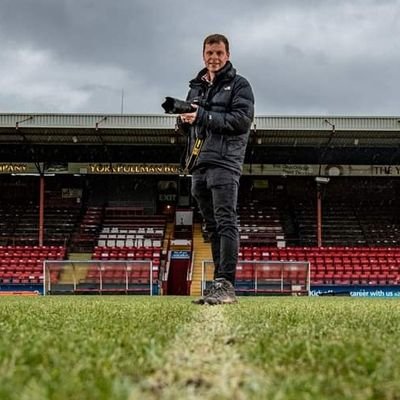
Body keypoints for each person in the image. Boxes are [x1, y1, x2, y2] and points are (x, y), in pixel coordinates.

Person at [177, 33, 255, 305]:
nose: (214, 58)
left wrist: (202, 116)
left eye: (219, 53)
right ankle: (217, 285)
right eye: (210, 53)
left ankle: (226, 283)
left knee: (225, 221)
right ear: (203, 55)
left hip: (225, 162)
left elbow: (241, 121)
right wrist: (184, 121)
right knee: (211, 227)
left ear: (228, 55)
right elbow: (193, 126)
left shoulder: (239, 85)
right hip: (200, 163)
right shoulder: (195, 88)